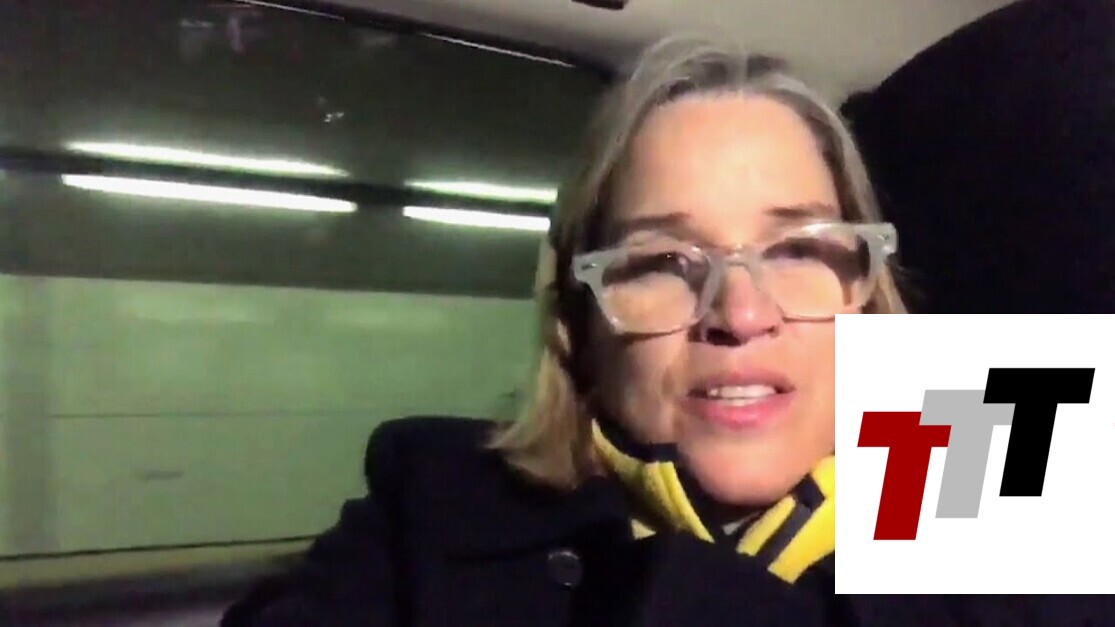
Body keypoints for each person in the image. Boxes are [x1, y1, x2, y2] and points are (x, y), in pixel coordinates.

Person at [220, 38, 1023, 627]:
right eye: (663, 262)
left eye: (798, 250)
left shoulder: (1002, 465)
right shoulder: (432, 500)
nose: (740, 314)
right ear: (579, 320)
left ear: (866, 293)